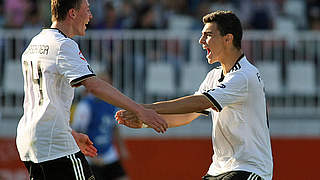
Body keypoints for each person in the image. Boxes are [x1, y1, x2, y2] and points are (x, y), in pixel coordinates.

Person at [15, 0, 167, 179]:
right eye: (87, 10)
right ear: (72, 13)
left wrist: (69, 133)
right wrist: (140, 111)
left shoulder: (36, 42)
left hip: (28, 139)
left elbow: (45, 100)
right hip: (54, 142)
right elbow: (94, 85)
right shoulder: (63, 44)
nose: (91, 16)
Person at [116, 10, 273, 180]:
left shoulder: (245, 75)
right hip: (219, 170)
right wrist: (145, 121)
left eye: (208, 35)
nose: (201, 41)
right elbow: (188, 115)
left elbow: (200, 102)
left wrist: (142, 109)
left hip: (250, 169)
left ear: (228, 39)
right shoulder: (214, 76)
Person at [72, 73, 129, 180]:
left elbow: (114, 127)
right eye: (104, 83)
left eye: (108, 83)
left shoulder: (112, 104)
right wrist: (92, 157)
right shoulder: (85, 105)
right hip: (90, 157)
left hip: (109, 154)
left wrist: (122, 147)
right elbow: (77, 132)